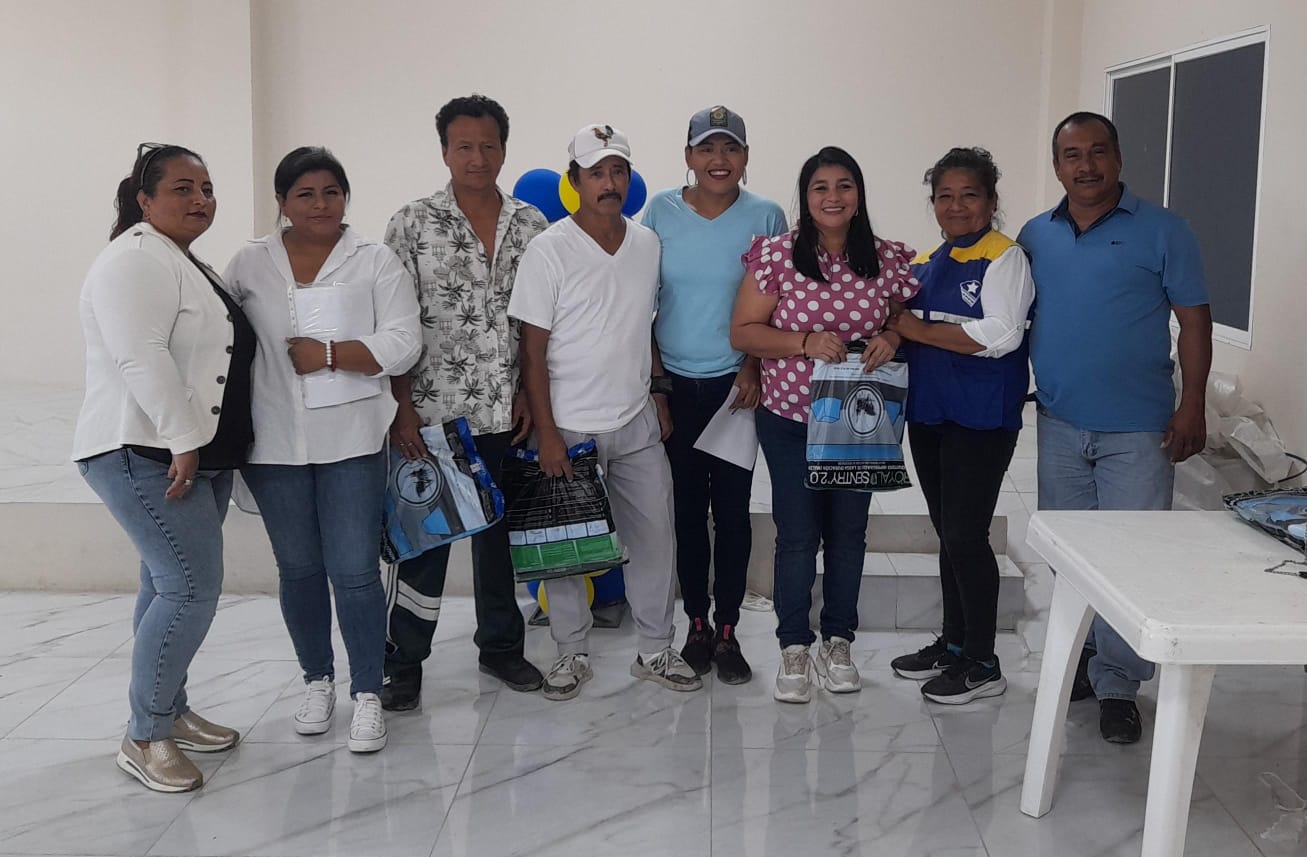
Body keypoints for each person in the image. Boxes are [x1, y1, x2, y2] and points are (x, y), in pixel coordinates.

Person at [1018, 112, 1212, 743]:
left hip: (1139, 429)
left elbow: (1195, 322)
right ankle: (1082, 659)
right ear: (1057, 166)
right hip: (1060, 423)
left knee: (1132, 559)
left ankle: (1120, 685)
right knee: (1072, 556)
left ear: (1119, 158)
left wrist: (1193, 404)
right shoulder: (1035, 235)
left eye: (1098, 152)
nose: (1087, 166)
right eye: (1072, 155)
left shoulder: (1164, 230)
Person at [224, 147, 421, 753]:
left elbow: (404, 342)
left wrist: (331, 354)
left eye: (331, 192)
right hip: (273, 442)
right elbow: (225, 342)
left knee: (355, 571)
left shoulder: (374, 260)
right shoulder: (248, 263)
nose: (320, 204)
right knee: (299, 570)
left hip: (352, 441)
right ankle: (317, 680)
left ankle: (367, 692)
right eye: (305, 194)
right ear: (281, 202)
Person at [73, 143, 254, 792]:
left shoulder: (182, 260)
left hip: (191, 452)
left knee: (165, 585)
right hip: (146, 450)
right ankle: (146, 734)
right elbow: (139, 355)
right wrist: (182, 441)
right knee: (189, 588)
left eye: (207, 188)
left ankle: (169, 711)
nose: (200, 199)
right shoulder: (134, 258)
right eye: (182, 188)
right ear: (144, 199)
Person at [508, 123, 701, 701]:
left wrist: (659, 393)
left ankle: (655, 647)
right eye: (597, 173)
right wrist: (547, 434)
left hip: (635, 420)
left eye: (618, 171)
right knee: (567, 548)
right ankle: (571, 652)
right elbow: (532, 351)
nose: (609, 183)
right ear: (575, 180)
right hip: (568, 426)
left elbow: (645, 326)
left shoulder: (646, 245)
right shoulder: (548, 250)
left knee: (655, 537)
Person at [730, 146, 921, 704]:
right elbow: (743, 331)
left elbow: (904, 315)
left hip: (860, 423)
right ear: (805, 197)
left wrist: (893, 335)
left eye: (844, 185)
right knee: (796, 536)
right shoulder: (777, 256)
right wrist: (803, 342)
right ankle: (794, 645)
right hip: (791, 419)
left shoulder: (885, 258)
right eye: (820, 187)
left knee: (848, 535)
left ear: (858, 195)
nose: (832, 197)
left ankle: (838, 641)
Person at [381, 94, 548, 709]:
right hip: (431, 415)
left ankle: (501, 647)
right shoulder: (411, 223)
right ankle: (403, 662)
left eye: (489, 146)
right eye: (464, 147)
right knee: (423, 545)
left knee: (499, 540)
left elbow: (537, 323)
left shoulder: (531, 224)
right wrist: (400, 407)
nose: (478, 158)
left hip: (506, 410)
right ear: (444, 151)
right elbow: (393, 322)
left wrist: (530, 394)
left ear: (504, 149)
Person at [642, 105, 787, 685]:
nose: (718, 160)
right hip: (676, 388)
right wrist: (658, 388)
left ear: (746, 157)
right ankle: (696, 625)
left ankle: (727, 630)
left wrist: (752, 366)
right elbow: (642, 305)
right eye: (706, 148)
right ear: (688, 156)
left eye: (730, 148)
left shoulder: (766, 216)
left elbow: (778, 304)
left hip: (736, 390)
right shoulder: (659, 211)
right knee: (684, 511)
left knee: (731, 514)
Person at [886, 147, 1035, 705]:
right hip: (931, 413)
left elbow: (1002, 335)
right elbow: (901, 324)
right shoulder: (927, 262)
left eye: (969, 195)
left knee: (968, 536)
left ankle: (983, 662)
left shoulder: (1005, 258)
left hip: (981, 418)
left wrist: (916, 330)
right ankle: (952, 645)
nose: (956, 206)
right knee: (949, 533)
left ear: (991, 201)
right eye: (944, 196)